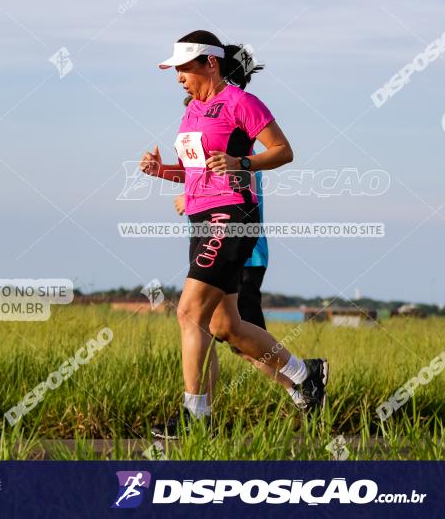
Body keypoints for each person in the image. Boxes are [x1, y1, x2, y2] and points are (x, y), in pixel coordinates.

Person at [140, 30, 327, 438]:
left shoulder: (241, 102)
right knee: (225, 326)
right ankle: (304, 376)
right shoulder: (190, 112)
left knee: (189, 312)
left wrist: (243, 161)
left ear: (210, 63)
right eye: (175, 71)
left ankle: (196, 418)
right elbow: (195, 173)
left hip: (233, 216)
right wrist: (162, 172)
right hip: (201, 218)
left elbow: (283, 150)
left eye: (183, 69)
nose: (178, 78)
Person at [174, 159, 304, 407]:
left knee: (233, 336)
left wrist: (189, 198)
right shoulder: (211, 143)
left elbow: (243, 182)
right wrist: (160, 171)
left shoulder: (237, 146)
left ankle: (303, 383)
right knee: (209, 328)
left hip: (242, 254)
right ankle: (201, 412)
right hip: (217, 250)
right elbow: (200, 176)